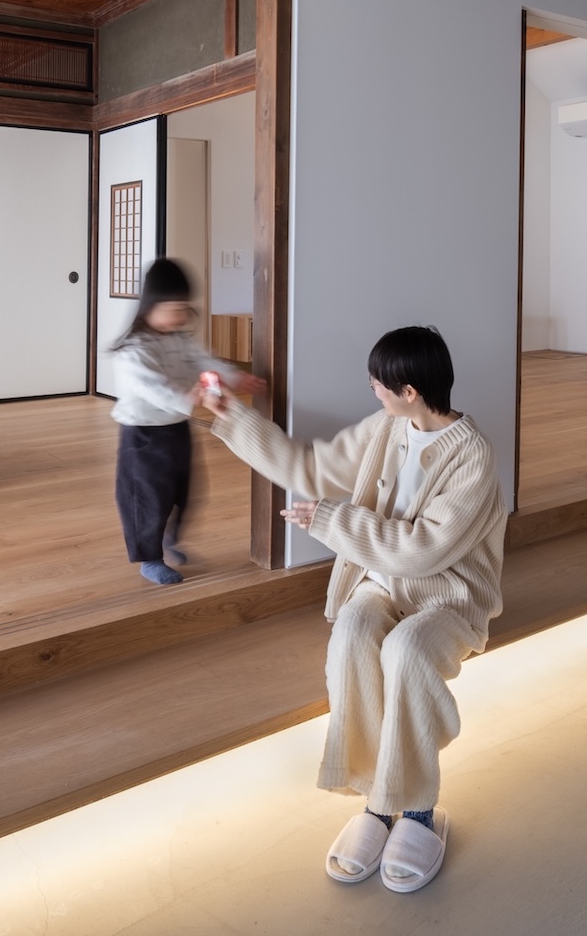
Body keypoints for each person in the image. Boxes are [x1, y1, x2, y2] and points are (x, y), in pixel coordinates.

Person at [198, 325, 506, 895]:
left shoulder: (474, 457)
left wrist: (333, 520)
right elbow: (308, 467)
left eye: (379, 384)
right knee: (352, 635)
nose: (373, 390)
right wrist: (231, 416)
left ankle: (418, 809)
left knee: (407, 650)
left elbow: (424, 551)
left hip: (448, 595)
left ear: (410, 391)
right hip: (380, 586)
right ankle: (378, 803)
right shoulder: (386, 428)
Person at [109, 257, 253, 586]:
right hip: (143, 434)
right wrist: (191, 396)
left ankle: (165, 538)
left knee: (182, 489)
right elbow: (154, 387)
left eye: (183, 309)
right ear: (150, 306)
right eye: (171, 309)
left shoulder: (179, 338)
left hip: (176, 428)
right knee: (147, 497)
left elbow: (203, 361)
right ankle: (149, 557)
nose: (178, 317)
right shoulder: (133, 350)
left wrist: (234, 376)